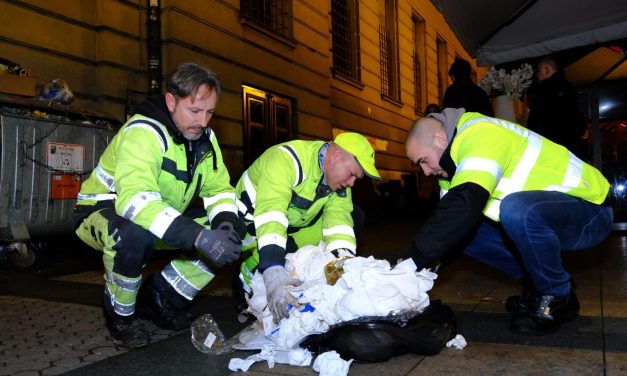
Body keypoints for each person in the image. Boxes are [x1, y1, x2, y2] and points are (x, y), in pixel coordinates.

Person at [73, 62, 244, 348]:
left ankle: (160, 299)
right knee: (131, 236)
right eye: (194, 111)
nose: (203, 122)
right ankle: (121, 315)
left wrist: (225, 226)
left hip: (161, 217)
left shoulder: (204, 138)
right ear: (170, 101)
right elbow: (136, 201)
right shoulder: (143, 133)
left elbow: (219, 191)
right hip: (104, 213)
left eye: (210, 112)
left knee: (239, 232)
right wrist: (199, 236)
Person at [404, 108, 613, 335]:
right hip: (550, 215)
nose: (425, 172)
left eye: (423, 161)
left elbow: (465, 202)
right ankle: (540, 284)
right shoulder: (450, 171)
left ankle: (557, 295)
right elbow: (448, 227)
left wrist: (412, 261)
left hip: (591, 212)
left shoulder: (480, 133)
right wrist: (411, 275)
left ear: (439, 139)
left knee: (516, 209)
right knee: (463, 234)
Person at [235, 132, 381, 321]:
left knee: (355, 216)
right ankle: (246, 282)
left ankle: (306, 274)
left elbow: (339, 224)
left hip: (294, 226)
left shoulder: (337, 179)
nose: (352, 183)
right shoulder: (285, 159)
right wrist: (273, 267)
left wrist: (339, 274)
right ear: (335, 155)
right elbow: (272, 212)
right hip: (253, 225)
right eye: (352, 174)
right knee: (282, 258)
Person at [526, 56, 587, 156]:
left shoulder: (543, 89)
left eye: (539, 70)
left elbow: (536, 121)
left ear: (546, 70)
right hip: (570, 149)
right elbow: (575, 117)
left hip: (549, 147)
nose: (537, 75)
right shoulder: (569, 87)